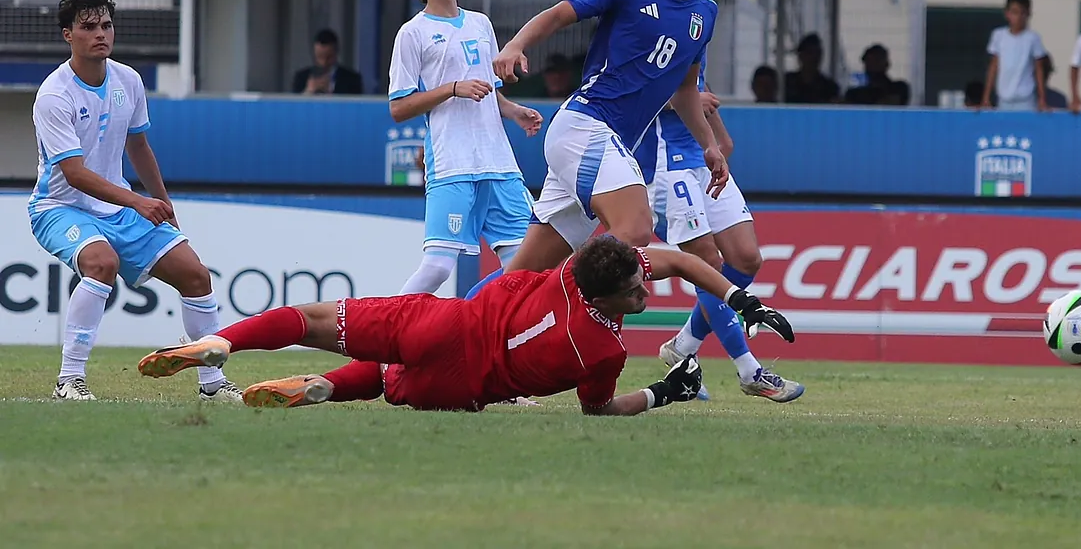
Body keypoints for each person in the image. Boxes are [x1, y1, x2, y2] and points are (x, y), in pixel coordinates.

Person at [136, 236, 796, 414]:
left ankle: (222, 341)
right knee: (386, 382)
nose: (646, 290)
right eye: (636, 288)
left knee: (308, 318)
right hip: (460, 384)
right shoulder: (601, 352)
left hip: (443, 321)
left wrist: (739, 303)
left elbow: (676, 259)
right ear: (608, 290)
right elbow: (600, 412)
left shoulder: (575, 271)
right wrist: (665, 393)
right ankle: (325, 388)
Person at [490, 0, 728, 278]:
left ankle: (469, 325)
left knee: (520, 278)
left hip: (611, 144)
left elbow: (684, 89)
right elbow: (559, 13)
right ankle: (574, 308)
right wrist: (515, 45)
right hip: (586, 125)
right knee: (634, 230)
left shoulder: (706, 12)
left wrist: (708, 145)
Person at [28, 0, 241, 402]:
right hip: (60, 207)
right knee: (101, 262)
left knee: (196, 276)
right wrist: (138, 201)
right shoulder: (54, 95)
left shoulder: (128, 79)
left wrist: (164, 205)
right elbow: (73, 175)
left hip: (119, 206)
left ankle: (212, 386)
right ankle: (69, 380)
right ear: (67, 35)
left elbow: (139, 147)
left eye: (106, 25)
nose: (100, 34)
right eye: (88, 27)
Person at [638, 0, 802, 403]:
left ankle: (684, 344)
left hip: (700, 155)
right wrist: (683, 100)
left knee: (746, 258)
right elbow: (640, 87)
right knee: (709, 266)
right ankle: (749, 371)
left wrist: (716, 137)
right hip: (667, 165)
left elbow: (695, 88)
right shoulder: (647, 20)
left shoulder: (698, 18)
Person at [388, 0, 544, 295]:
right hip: (452, 163)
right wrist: (452, 89)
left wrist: (513, 111)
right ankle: (379, 343)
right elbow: (399, 108)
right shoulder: (413, 33)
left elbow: (490, 92)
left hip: (499, 164)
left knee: (527, 266)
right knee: (438, 268)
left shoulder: (481, 23)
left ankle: (486, 330)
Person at [980, 0, 1048, 111]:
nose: (1019, 17)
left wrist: (1042, 98)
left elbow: (1039, 69)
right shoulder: (998, 35)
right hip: (1003, 97)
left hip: (1025, 97)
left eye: (1023, 13)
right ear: (1007, 14)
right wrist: (986, 97)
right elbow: (993, 66)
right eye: (1015, 12)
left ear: (1028, 14)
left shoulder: (1033, 38)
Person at [292, 29, 364, 95]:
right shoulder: (301, 78)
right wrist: (308, 92)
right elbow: (293, 107)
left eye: (329, 57)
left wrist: (330, 92)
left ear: (336, 53)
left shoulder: (352, 79)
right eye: (320, 56)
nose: (324, 62)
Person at [784, 33, 839, 104]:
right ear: (800, 55)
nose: (814, 58)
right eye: (810, 53)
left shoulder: (829, 87)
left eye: (818, 53)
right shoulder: (787, 82)